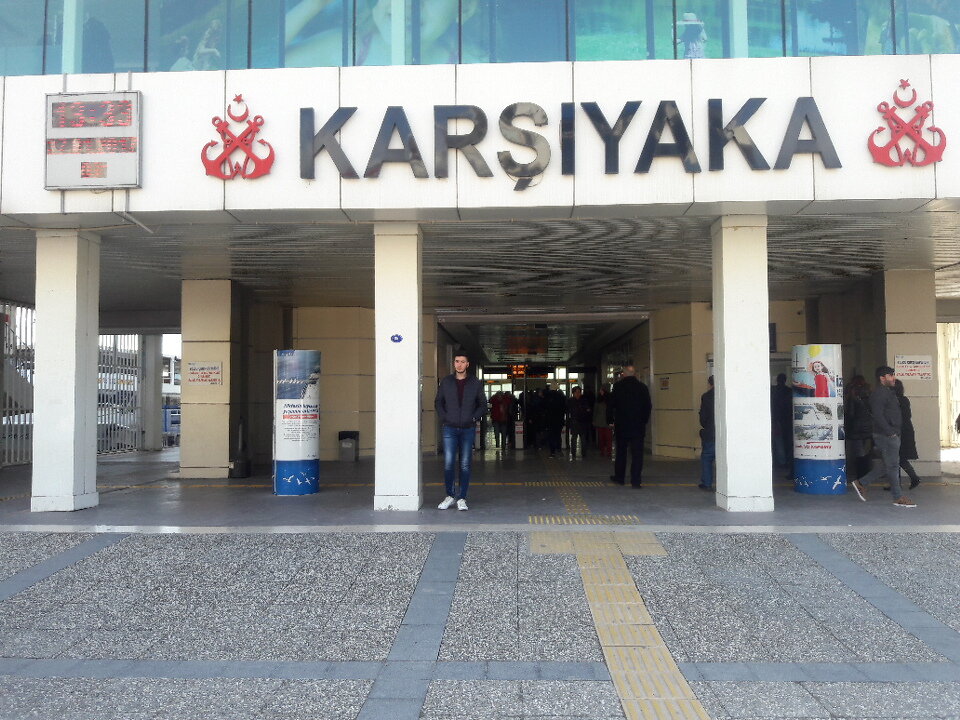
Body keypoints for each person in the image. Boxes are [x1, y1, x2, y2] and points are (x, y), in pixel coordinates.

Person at [850, 365, 916, 508]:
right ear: (882, 378)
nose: (893, 378)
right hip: (886, 436)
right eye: (890, 376)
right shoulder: (880, 394)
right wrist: (890, 432)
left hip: (889, 434)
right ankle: (898, 497)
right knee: (892, 466)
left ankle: (861, 483)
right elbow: (878, 415)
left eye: (893, 375)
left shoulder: (887, 392)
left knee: (888, 465)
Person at [434, 352, 487, 511]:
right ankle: (450, 496)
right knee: (448, 463)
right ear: (454, 363)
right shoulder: (446, 382)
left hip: (468, 429)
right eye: (457, 361)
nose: (459, 364)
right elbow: (438, 402)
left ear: (467, 364)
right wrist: (445, 417)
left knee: (465, 465)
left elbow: (483, 404)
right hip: (449, 428)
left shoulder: (475, 383)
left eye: (462, 361)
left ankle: (462, 498)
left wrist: (473, 418)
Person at [609, 365, 653, 488]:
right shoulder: (642, 387)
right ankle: (636, 481)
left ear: (624, 374)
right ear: (634, 374)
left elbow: (611, 405)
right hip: (638, 427)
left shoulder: (618, 387)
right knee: (637, 454)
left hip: (622, 426)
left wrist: (610, 420)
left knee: (621, 452)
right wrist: (643, 421)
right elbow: (648, 406)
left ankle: (620, 478)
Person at [843, 375, 873, 481]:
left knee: (858, 452)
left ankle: (860, 475)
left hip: (856, 428)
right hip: (868, 427)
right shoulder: (870, 394)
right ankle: (865, 472)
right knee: (865, 451)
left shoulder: (853, 397)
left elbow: (851, 414)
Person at [894, 379, 921, 490]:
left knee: (897, 457)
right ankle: (898, 482)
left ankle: (909, 479)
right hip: (906, 430)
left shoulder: (894, 401)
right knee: (898, 457)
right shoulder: (904, 400)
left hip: (900, 432)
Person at [770, 373, 793, 468]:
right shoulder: (789, 391)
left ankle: (781, 462)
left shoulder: (773, 391)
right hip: (787, 420)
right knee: (786, 442)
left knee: (778, 442)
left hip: (777, 419)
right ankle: (785, 462)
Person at [698, 375, 715, 490]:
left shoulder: (707, 396)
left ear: (710, 384)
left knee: (707, 458)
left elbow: (703, 418)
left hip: (710, 433)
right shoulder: (730, 394)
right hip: (727, 434)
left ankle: (707, 483)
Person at [566, 386, 591, 459]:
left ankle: (584, 454)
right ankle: (573, 453)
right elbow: (567, 411)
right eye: (576, 392)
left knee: (583, 439)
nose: (578, 394)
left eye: (579, 392)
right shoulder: (570, 401)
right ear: (573, 393)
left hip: (582, 422)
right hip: (574, 422)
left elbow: (588, 410)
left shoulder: (584, 400)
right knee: (574, 439)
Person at [543, 385, 566, 458]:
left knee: (551, 436)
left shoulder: (547, 396)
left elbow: (544, 408)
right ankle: (559, 450)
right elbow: (564, 409)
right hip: (559, 420)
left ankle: (552, 452)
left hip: (550, 420)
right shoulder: (561, 396)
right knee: (558, 436)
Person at [593, 385, 613, 457]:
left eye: (601, 390)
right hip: (600, 422)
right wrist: (594, 420)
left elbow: (613, 411)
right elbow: (595, 411)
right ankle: (602, 451)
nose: (600, 391)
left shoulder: (610, 399)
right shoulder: (598, 399)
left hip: (608, 422)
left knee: (608, 438)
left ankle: (609, 452)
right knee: (601, 438)